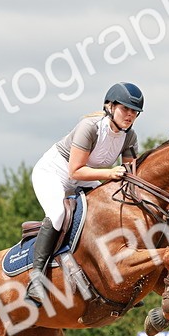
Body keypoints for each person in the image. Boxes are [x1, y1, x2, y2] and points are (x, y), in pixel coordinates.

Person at [25, 82, 144, 305]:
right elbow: (75, 170)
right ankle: (36, 277)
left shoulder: (130, 137)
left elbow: (130, 175)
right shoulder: (90, 127)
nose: (130, 115)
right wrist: (110, 174)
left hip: (84, 176)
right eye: (125, 109)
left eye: (134, 112)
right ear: (110, 106)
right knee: (58, 213)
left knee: (112, 210)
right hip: (54, 172)